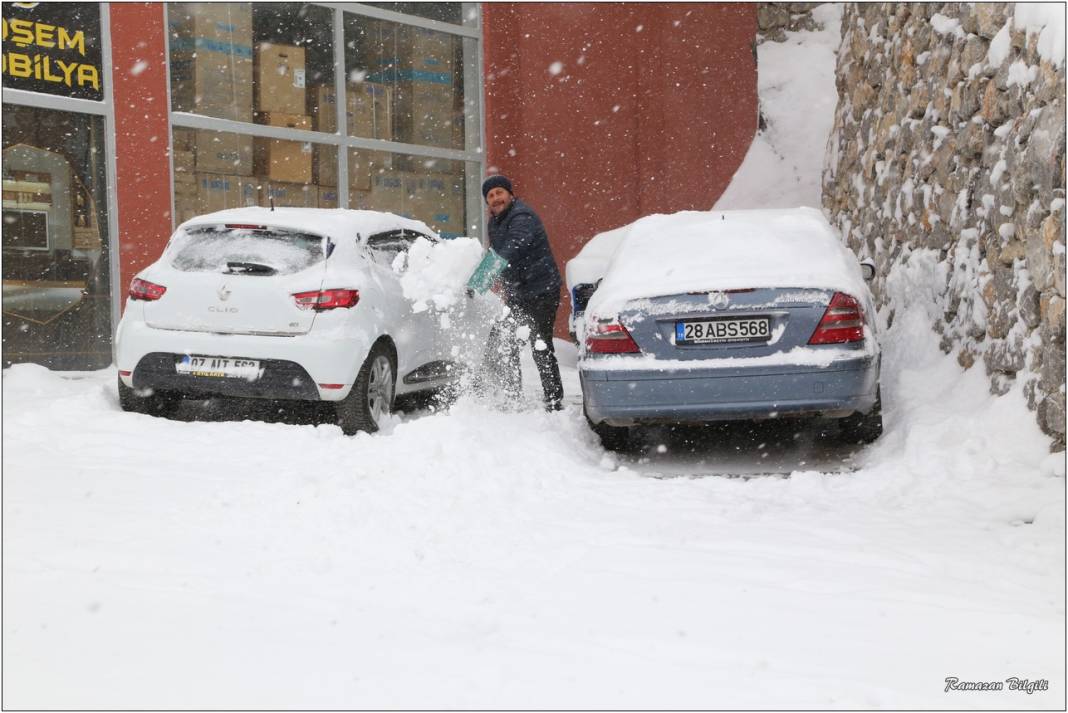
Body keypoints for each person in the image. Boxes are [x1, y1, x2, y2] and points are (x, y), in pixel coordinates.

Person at [480, 175, 565, 411]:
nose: (496, 198)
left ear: (510, 194)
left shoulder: (522, 216)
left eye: (499, 193)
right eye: (490, 196)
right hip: (519, 293)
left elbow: (512, 248)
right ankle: (512, 396)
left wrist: (480, 280)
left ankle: (553, 402)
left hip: (542, 290)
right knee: (502, 341)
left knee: (541, 345)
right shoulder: (495, 222)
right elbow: (498, 254)